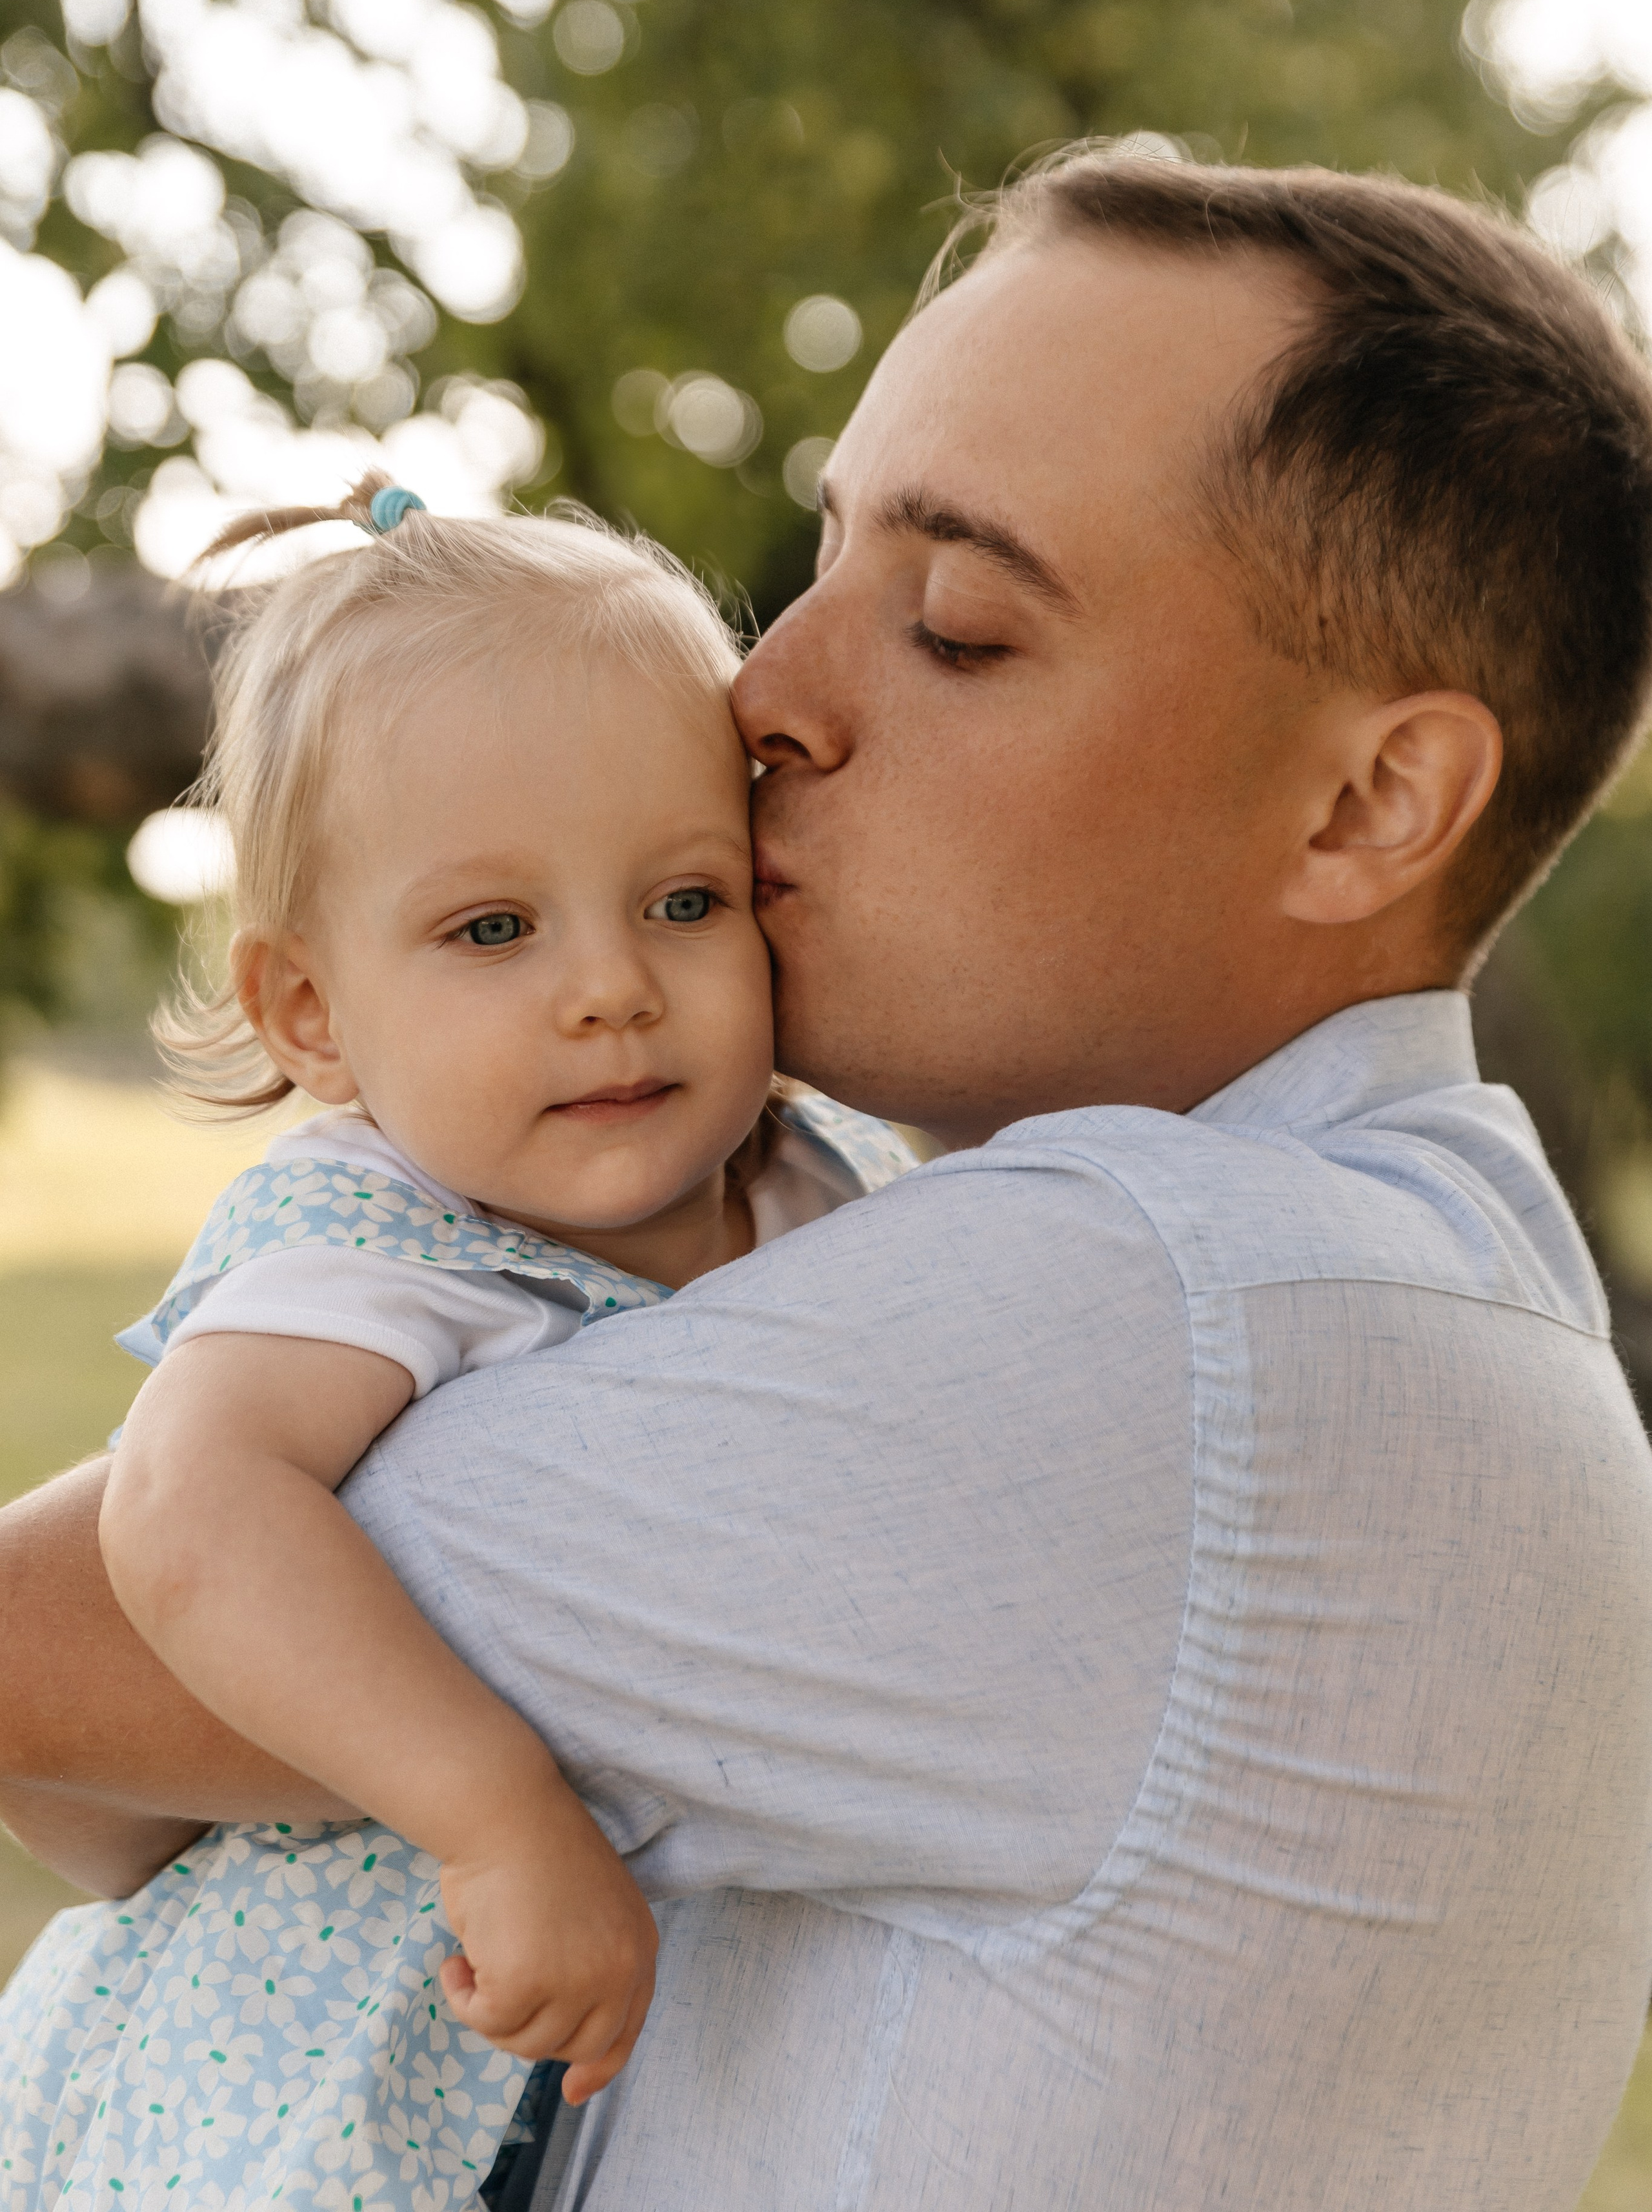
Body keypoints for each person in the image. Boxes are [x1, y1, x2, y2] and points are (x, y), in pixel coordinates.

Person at [3, 148, 1652, 2211]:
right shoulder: (1422, 1285)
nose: (766, 695)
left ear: (1370, 802)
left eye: (956, 624)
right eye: (826, 554)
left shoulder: (1151, 1312)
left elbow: (45, 1645)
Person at [0, 486, 909, 2211]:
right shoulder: (378, 1236)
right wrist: (493, 1812)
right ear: (310, 1014)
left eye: (687, 899)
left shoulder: (812, 1186)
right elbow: (188, 1509)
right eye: (494, 930)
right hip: (273, 2100)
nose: (610, 988)